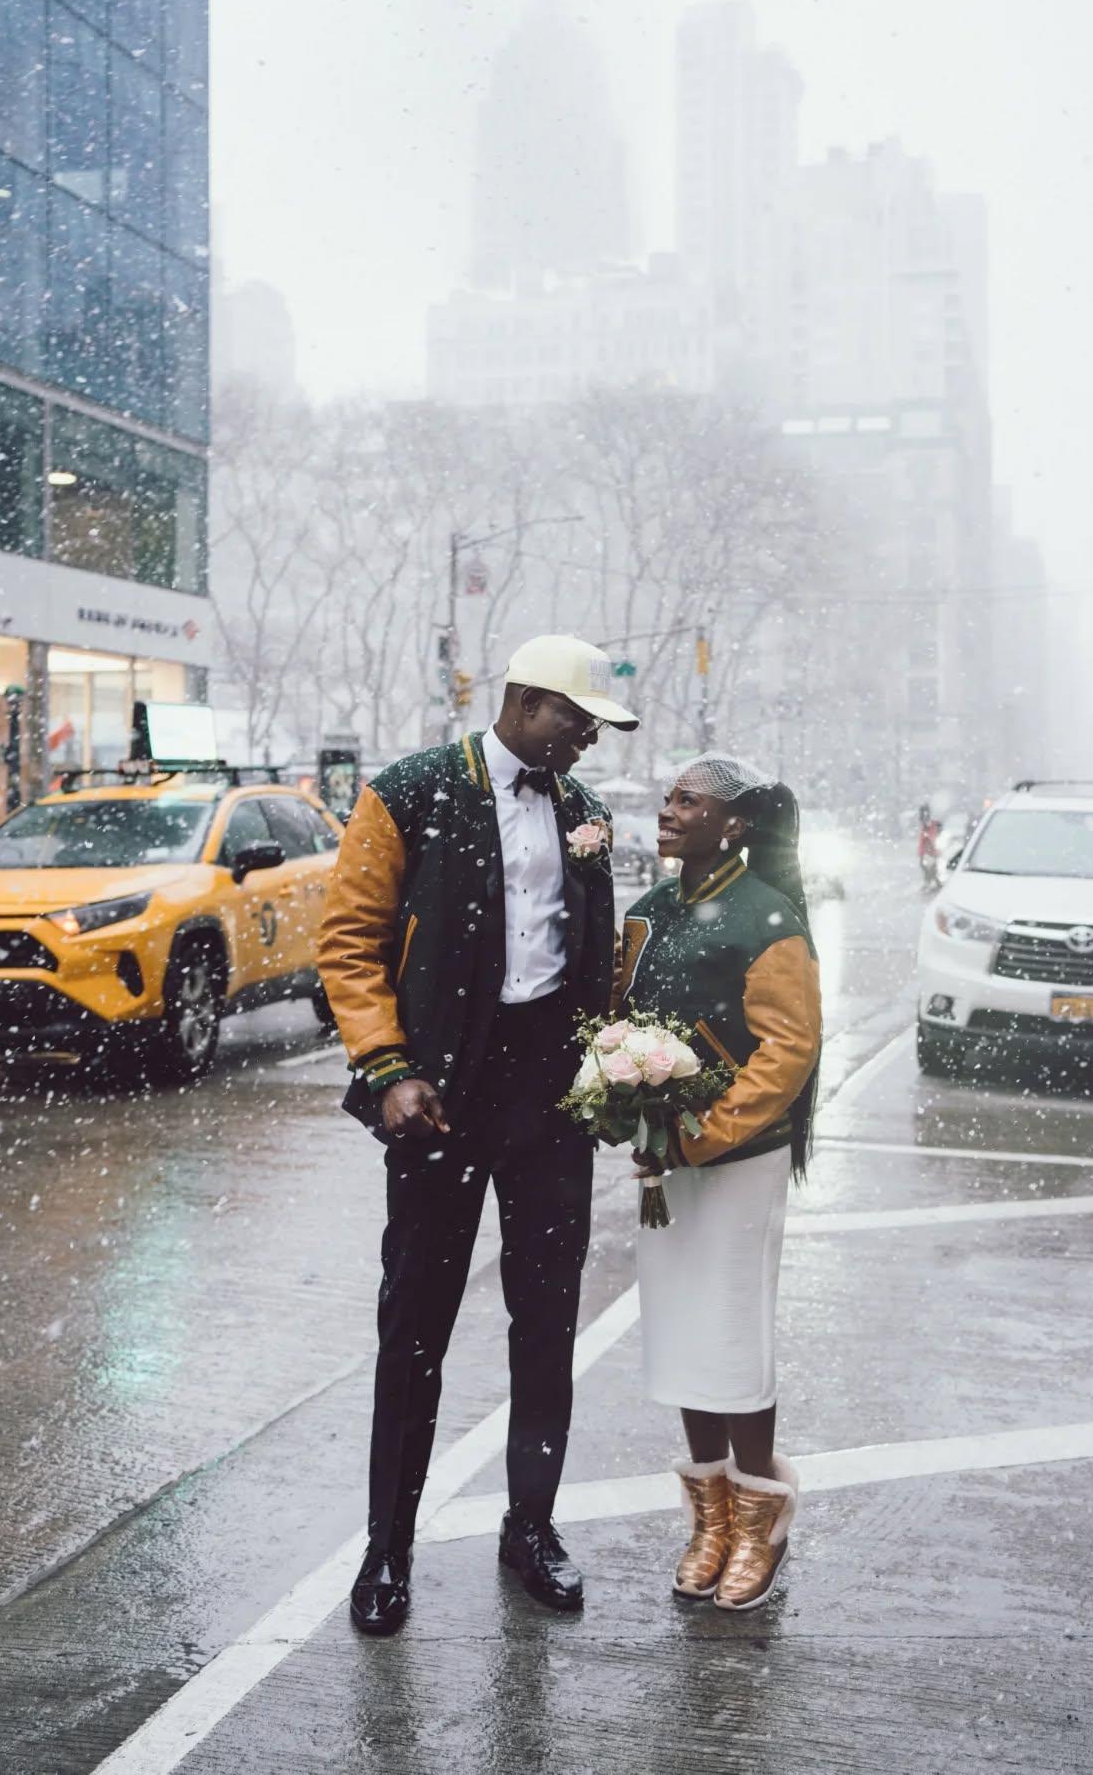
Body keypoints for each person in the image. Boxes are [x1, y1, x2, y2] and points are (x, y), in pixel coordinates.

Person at [317, 635, 638, 1636]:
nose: (589, 739)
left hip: (550, 1098)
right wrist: (389, 1067)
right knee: (415, 1328)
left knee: (547, 1323)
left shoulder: (584, 812)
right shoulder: (409, 792)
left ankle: (530, 1528)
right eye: (578, 720)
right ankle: (388, 1548)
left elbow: (591, 954)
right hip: (443, 1096)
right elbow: (349, 942)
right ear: (525, 701)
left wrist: (613, 1060)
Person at [615, 755, 822, 1612]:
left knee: (732, 1336)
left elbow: (789, 1049)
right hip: (662, 1156)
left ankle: (760, 1522)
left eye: (688, 801)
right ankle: (709, 1520)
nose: (668, 811)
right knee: (680, 1335)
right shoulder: (648, 910)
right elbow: (621, 1016)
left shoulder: (767, 916)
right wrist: (618, 1092)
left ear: (733, 824)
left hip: (739, 1159)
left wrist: (702, 1132)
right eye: (667, 798)